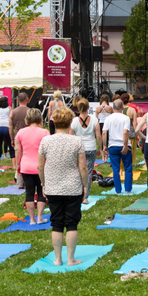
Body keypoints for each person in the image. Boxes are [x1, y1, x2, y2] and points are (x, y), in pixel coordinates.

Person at [38, 106, 90, 267]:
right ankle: (70, 259)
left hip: (53, 186)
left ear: (54, 122)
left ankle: (58, 259)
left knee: (57, 223)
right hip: (72, 186)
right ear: (70, 123)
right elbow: (83, 167)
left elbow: (40, 166)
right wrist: (85, 185)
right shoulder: (76, 141)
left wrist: (43, 184)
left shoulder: (46, 140)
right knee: (72, 223)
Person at [15, 108, 50, 224]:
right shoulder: (45, 132)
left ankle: (32, 219)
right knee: (41, 192)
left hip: (26, 166)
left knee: (29, 193)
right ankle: (40, 217)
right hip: (41, 166)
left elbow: (17, 150)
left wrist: (17, 165)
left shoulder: (21, 132)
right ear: (40, 119)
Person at [69, 98, 101, 204]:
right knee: (89, 172)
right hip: (91, 148)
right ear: (88, 107)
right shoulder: (94, 120)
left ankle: (78, 194)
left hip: (78, 148)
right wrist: (100, 148)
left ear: (78, 108)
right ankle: (85, 196)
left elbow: (70, 136)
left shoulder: (74, 121)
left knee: (78, 172)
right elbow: (98, 135)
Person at [102, 99, 133, 194]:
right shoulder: (125, 118)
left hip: (113, 146)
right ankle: (128, 190)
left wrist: (104, 146)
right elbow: (125, 132)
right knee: (128, 168)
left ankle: (118, 190)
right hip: (124, 145)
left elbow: (104, 133)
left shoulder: (108, 118)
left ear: (113, 107)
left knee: (115, 169)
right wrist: (124, 145)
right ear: (122, 107)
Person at [0, 96, 15, 170]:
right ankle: (14, 165)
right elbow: (12, 116)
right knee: (11, 146)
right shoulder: (9, 108)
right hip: (7, 127)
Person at [120, 93, 139, 168]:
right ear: (129, 99)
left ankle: (121, 164)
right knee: (132, 150)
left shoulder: (119, 110)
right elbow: (135, 123)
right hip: (130, 132)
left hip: (121, 132)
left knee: (121, 148)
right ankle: (131, 163)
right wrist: (137, 135)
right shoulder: (132, 110)